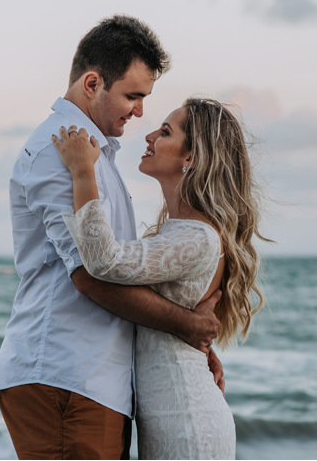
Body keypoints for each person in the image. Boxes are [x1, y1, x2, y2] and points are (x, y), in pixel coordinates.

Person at [0, 15, 224, 460]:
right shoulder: (58, 150)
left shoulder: (95, 156)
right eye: (133, 95)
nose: (140, 112)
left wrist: (191, 350)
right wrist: (188, 326)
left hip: (94, 380)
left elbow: (121, 271)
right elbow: (90, 275)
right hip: (65, 374)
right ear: (93, 83)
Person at [52, 97, 267, 460]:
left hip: (187, 422)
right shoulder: (184, 231)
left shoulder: (196, 237)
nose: (150, 135)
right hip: (173, 417)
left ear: (191, 158)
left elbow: (103, 262)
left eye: (165, 131)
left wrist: (82, 172)